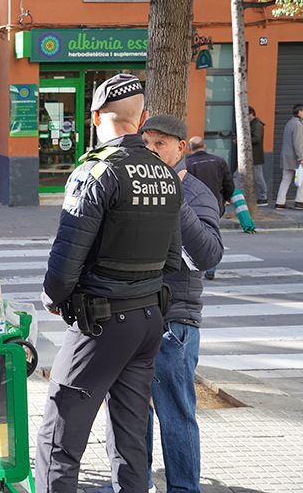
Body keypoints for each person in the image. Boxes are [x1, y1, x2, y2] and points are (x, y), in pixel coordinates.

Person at [35, 74, 183, 493]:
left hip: (100, 323)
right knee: (132, 437)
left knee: (59, 439)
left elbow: (67, 257)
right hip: (149, 319)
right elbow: (172, 260)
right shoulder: (166, 173)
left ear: (96, 116)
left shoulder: (96, 171)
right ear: (143, 118)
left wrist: (52, 296)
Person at [138, 115, 223, 493]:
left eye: (160, 144)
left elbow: (206, 256)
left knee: (175, 414)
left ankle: (184, 489)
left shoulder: (198, 194)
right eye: (147, 143)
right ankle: (134, 483)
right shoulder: (137, 184)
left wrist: (174, 197)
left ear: (180, 148)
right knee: (134, 412)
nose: (152, 151)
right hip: (136, 315)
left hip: (175, 321)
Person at [185, 137, 233, 281]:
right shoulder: (219, 161)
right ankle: (211, 268)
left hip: (194, 205)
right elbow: (229, 183)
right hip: (215, 204)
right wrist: (225, 199)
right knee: (213, 233)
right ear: (204, 146)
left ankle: (199, 265)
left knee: (195, 235)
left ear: (189, 148)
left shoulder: (188, 164)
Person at [275, 103, 303, 210]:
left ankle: (280, 202)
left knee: (285, 179)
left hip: (286, 156)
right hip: (294, 157)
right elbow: (298, 143)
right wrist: (301, 158)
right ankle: (300, 201)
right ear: (299, 112)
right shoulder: (298, 125)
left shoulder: (289, 123)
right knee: (301, 178)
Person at [249, 107, 268, 205]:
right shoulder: (252, 124)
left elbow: (257, 139)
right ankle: (232, 196)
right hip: (250, 155)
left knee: (258, 177)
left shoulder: (257, 125)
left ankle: (263, 198)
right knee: (238, 175)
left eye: (247, 115)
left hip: (255, 156)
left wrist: (243, 140)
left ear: (252, 114)